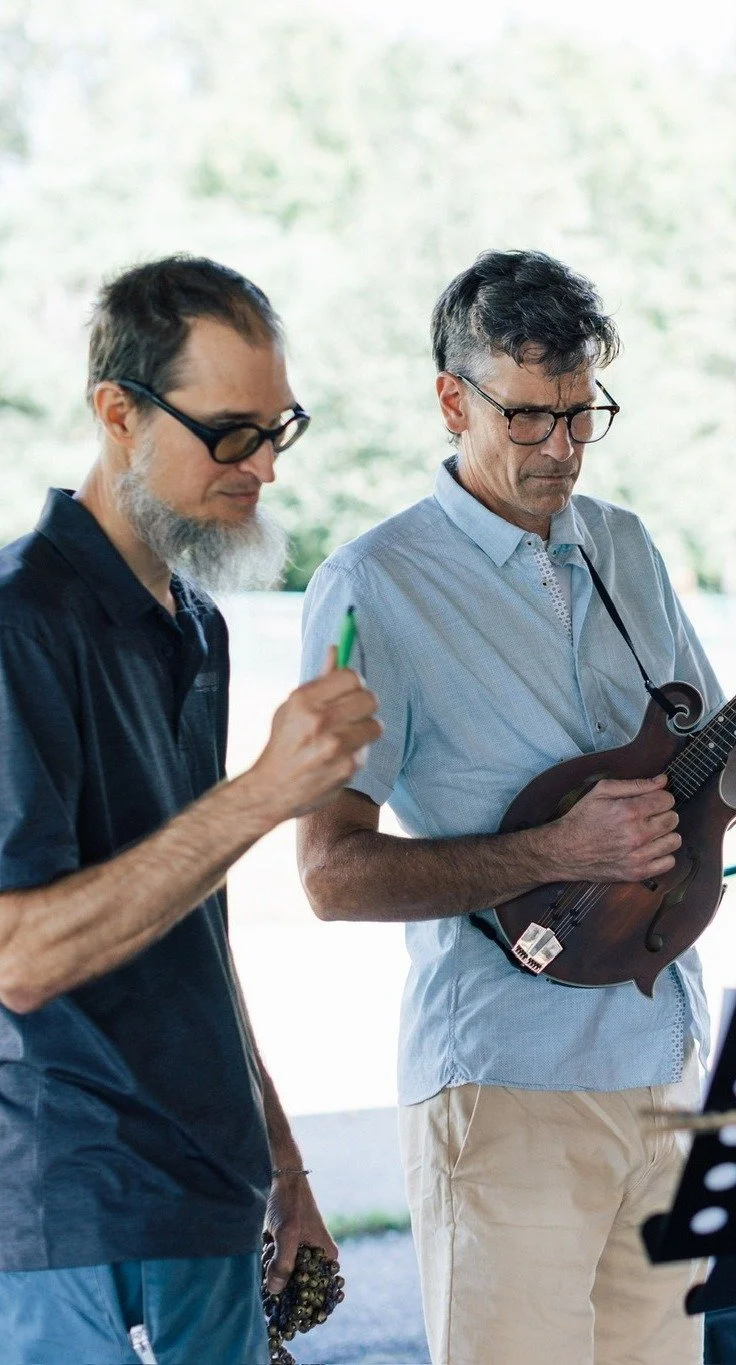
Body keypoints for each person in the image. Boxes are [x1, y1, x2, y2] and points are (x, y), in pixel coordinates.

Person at [296, 248, 736, 1365]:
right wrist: (553, 848)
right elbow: (330, 875)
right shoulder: (373, 587)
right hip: (506, 1084)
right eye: (529, 417)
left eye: (582, 414)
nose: (561, 448)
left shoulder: (628, 547)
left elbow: (715, 796)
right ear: (453, 399)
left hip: (662, 1067)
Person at [0, 256, 381, 1365]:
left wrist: (284, 1168)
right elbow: (20, 956)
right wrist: (268, 792)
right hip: (70, 1213)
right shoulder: (22, 625)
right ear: (118, 413)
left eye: (279, 428)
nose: (263, 466)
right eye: (229, 433)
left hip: (207, 1197)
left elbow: (192, 927)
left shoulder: (195, 622)